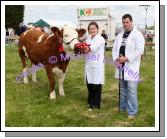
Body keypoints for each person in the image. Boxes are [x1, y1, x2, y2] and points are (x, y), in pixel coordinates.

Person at [112, 14, 144, 118]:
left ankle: (132, 112)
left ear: (131, 22)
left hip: (131, 66)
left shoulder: (137, 34)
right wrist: (116, 59)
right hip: (120, 65)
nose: (125, 24)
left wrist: (126, 58)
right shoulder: (120, 34)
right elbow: (114, 49)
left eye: (127, 22)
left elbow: (139, 50)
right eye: (123, 22)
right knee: (123, 89)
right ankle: (122, 108)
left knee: (131, 90)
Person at [82, 22, 105, 111]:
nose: (92, 30)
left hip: (97, 65)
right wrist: (81, 48)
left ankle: (95, 104)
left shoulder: (100, 39)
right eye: (90, 29)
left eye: (94, 28)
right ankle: (90, 101)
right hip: (88, 64)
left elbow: (92, 48)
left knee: (96, 85)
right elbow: (84, 50)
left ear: (97, 29)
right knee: (89, 84)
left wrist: (84, 48)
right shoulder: (88, 39)